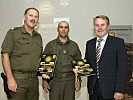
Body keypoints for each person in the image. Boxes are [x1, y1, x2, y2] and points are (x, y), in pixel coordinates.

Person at [1, 8, 43, 100]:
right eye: (30, 15)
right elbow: (5, 55)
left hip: (34, 81)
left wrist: (45, 72)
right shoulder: (13, 33)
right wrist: (10, 78)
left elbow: (39, 58)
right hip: (17, 80)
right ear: (24, 17)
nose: (33, 18)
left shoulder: (38, 37)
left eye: (36, 17)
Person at [85, 15, 128, 100]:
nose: (99, 28)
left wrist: (119, 90)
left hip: (111, 90)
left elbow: (123, 68)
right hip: (93, 89)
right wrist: (78, 70)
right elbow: (88, 64)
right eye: (97, 25)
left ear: (108, 27)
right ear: (94, 27)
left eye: (102, 25)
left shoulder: (118, 43)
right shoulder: (89, 44)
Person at [42, 21, 82, 100]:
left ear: (68, 29)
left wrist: (79, 80)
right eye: (61, 27)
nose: (63, 29)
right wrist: (44, 81)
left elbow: (79, 65)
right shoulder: (50, 45)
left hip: (69, 82)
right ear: (57, 29)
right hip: (55, 82)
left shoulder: (74, 45)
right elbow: (45, 66)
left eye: (65, 27)